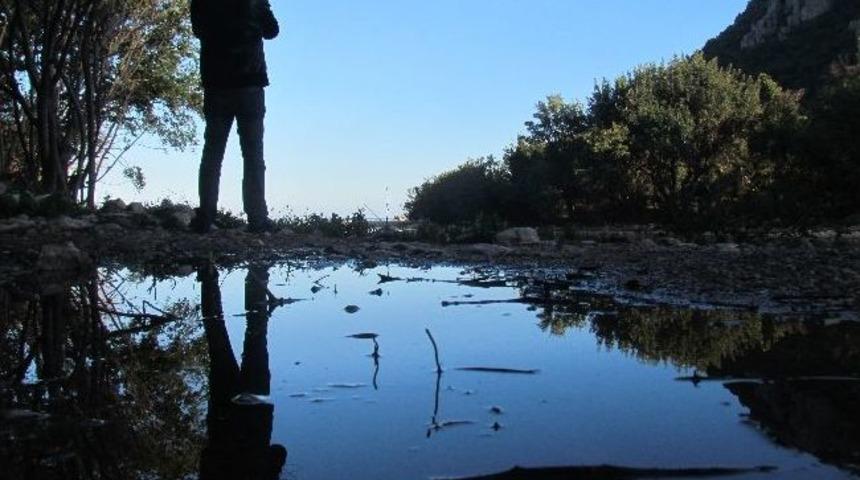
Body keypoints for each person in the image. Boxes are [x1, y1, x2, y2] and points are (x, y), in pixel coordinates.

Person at [189, 0, 280, 233]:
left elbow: (198, 30)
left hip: (216, 83)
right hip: (249, 82)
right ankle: (257, 219)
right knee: (253, 157)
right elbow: (272, 31)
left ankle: (205, 218)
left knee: (212, 153)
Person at [198, 262, 287, 479]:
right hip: (224, 415)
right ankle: (209, 275)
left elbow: (279, 452)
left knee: (255, 336)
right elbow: (206, 456)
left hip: (255, 408)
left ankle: (255, 274)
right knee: (216, 336)